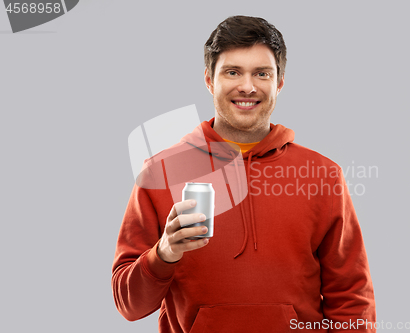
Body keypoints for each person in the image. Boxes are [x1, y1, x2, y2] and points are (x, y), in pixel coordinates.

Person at [112, 15, 376, 332]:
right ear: (209, 79)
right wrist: (164, 253)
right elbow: (129, 305)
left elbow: (351, 298)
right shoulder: (159, 172)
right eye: (233, 72)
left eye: (261, 73)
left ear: (279, 83)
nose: (247, 87)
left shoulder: (322, 174)